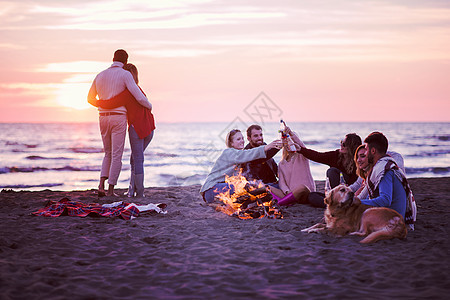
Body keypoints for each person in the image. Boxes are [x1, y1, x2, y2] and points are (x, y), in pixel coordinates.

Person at [87, 49, 152, 196]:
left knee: (107, 153)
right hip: (118, 116)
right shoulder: (125, 74)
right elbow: (139, 96)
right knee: (117, 154)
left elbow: (89, 99)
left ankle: (101, 185)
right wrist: (149, 105)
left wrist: (102, 104)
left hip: (102, 117)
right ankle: (111, 190)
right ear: (126, 61)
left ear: (113, 58)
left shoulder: (100, 75)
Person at [200, 129, 282, 203]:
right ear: (231, 143)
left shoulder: (239, 159)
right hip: (211, 190)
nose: (242, 141)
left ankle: (276, 188)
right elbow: (249, 153)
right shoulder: (229, 152)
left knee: (254, 186)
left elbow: (256, 160)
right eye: (238, 139)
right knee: (247, 187)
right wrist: (267, 147)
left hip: (222, 193)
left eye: (242, 138)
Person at [356, 132, 416, 229]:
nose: (365, 154)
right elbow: (363, 194)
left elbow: (385, 200)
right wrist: (354, 201)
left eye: (366, 149)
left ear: (373, 151)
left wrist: (359, 203)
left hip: (392, 221)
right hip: (392, 216)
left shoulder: (385, 170)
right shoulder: (382, 166)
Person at [268, 129, 320, 207]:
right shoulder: (281, 164)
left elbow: (301, 145)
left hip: (305, 193)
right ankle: (287, 200)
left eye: (290, 142)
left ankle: (281, 202)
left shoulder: (302, 156)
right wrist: (287, 191)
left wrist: (290, 133)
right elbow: (282, 183)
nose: (288, 144)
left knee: (302, 188)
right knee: (267, 187)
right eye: (286, 142)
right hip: (290, 194)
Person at [297, 132, 362, 188]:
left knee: (332, 171)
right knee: (312, 196)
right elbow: (318, 156)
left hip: (349, 190)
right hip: (334, 192)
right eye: (341, 142)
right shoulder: (336, 155)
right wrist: (301, 150)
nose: (341, 145)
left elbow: (356, 183)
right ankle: (334, 198)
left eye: (344, 144)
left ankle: (337, 198)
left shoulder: (359, 161)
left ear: (351, 147)